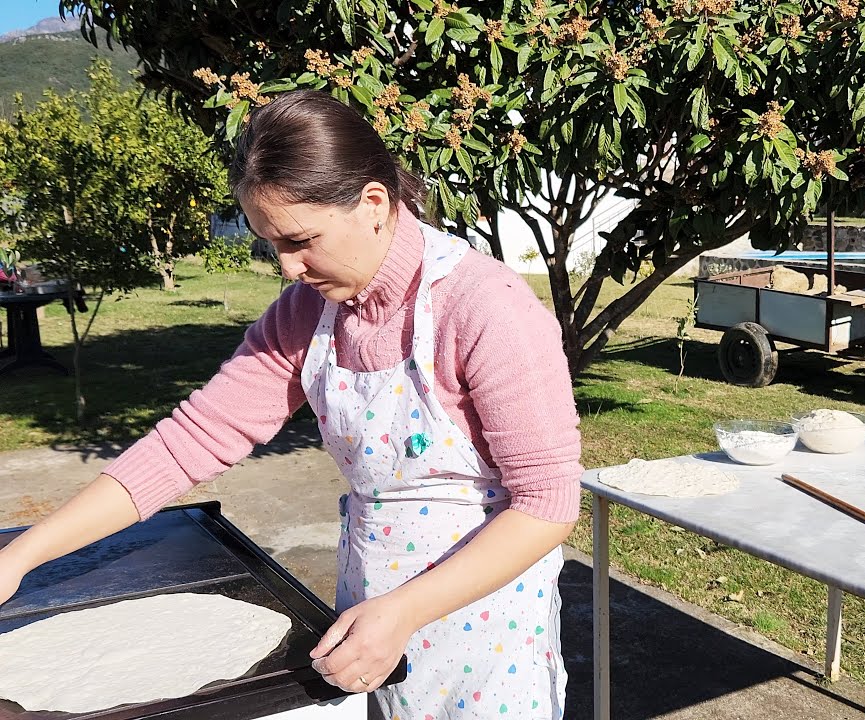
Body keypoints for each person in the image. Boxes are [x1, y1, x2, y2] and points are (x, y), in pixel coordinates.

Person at [0, 91, 581, 719]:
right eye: (269, 244)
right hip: (367, 609)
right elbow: (188, 441)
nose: (287, 267)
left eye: (302, 240)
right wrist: (22, 555)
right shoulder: (308, 315)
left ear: (374, 204)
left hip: (484, 626)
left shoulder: (482, 306)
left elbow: (548, 505)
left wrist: (405, 611)